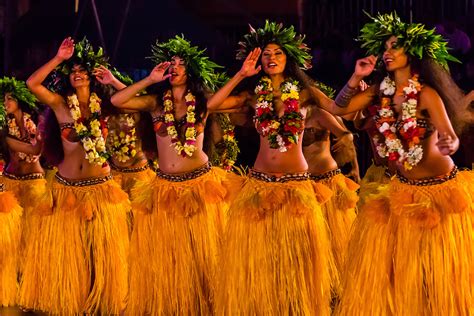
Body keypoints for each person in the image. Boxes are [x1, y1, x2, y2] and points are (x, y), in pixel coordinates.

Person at [319, 12, 474, 315]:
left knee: (437, 272)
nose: (387, 53)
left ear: (412, 54)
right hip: (403, 190)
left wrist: (449, 144)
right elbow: (339, 108)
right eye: (385, 48)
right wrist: (356, 77)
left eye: (395, 47)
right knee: (404, 271)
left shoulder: (427, 94)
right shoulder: (380, 94)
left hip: (440, 193)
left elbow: (450, 137)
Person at [207, 21, 335, 315]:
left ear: (288, 58)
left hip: (297, 187)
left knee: (296, 258)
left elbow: (340, 110)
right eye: (265, 54)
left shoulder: (305, 95)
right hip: (259, 184)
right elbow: (212, 105)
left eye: (277, 52)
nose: (271, 58)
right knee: (261, 258)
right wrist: (241, 75)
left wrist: (355, 78)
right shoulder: (254, 96)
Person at [110, 35, 227, 315]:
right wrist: (150, 79)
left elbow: (226, 100)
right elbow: (118, 99)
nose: (174, 68)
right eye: (171, 63)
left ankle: (204, 305)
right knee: (169, 256)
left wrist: (243, 75)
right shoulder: (154, 103)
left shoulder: (203, 101)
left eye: (181, 63)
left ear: (193, 70)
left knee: (202, 254)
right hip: (164, 186)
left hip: (200, 184)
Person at [19, 37, 130, 315]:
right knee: (71, 254)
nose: (77, 73)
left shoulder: (105, 105)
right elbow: (32, 84)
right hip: (67, 189)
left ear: (92, 74)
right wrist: (58, 58)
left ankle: (99, 301)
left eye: (82, 69)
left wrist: (113, 80)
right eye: (73, 70)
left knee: (99, 252)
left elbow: (135, 101)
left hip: (101, 188)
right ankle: (73, 300)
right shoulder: (60, 105)